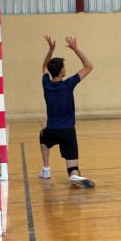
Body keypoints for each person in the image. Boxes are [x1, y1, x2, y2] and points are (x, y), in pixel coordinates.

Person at [38, 35, 95, 188]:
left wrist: (50, 50)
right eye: (64, 66)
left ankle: (46, 169)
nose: (65, 68)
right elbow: (89, 66)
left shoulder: (46, 84)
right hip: (68, 131)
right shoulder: (69, 84)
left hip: (52, 130)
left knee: (42, 136)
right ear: (62, 71)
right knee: (73, 167)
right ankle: (74, 175)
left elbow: (44, 67)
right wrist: (76, 49)